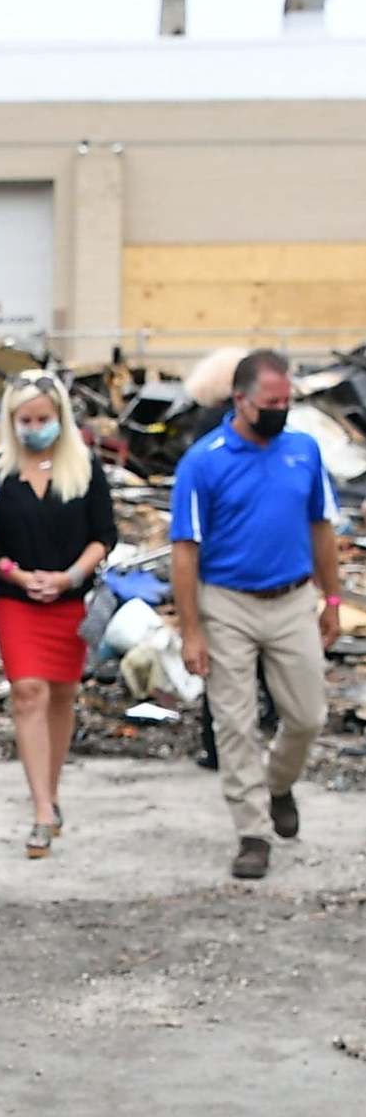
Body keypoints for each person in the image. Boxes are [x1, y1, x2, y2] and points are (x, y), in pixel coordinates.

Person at [170, 349, 344, 881]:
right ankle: (252, 831)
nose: (281, 410)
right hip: (227, 603)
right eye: (271, 402)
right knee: (235, 722)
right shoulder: (205, 460)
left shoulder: (304, 451)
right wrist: (191, 630)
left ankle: (277, 784)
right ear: (240, 400)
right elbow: (184, 550)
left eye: (287, 401)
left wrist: (331, 599)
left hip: (292, 599)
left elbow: (321, 527)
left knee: (308, 714)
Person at [0, 373, 117, 858]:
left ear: (59, 418)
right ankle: (40, 809)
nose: (34, 428)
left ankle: (52, 792)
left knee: (62, 694)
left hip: (69, 599)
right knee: (28, 691)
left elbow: (104, 534)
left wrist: (70, 577)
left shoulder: (84, 470)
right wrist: (17, 575)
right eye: (25, 420)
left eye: (43, 419)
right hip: (17, 599)